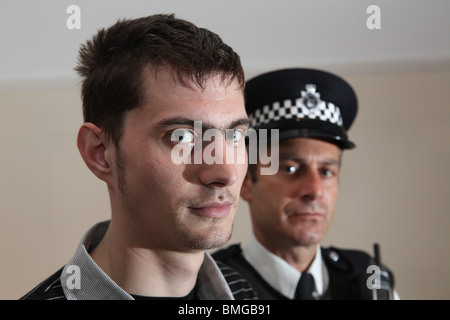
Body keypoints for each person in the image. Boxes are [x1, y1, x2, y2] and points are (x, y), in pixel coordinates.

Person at [20, 14, 257, 300]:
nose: (225, 173)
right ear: (100, 153)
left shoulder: (245, 292)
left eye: (234, 136)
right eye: (182, 137)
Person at [213, 68, 398, 300]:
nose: (314, 190)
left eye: (327, 171)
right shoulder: (213, 285)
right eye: (291, 168)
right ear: (246, 183)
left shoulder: (367, 279)